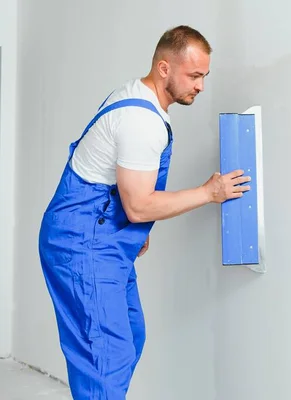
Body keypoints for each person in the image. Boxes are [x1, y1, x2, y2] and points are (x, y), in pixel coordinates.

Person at [38, 25, 250, 399]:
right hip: (83, 242)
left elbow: (122, 184)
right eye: (194, 75)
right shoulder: (142, 122)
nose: (200, 86)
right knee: (106, 354)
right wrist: (208, 192)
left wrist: (134, 231)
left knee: (129, 334)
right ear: (164, 68)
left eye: (204, 76)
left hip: (101, 236)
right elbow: (137, 205)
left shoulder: (137, 96)